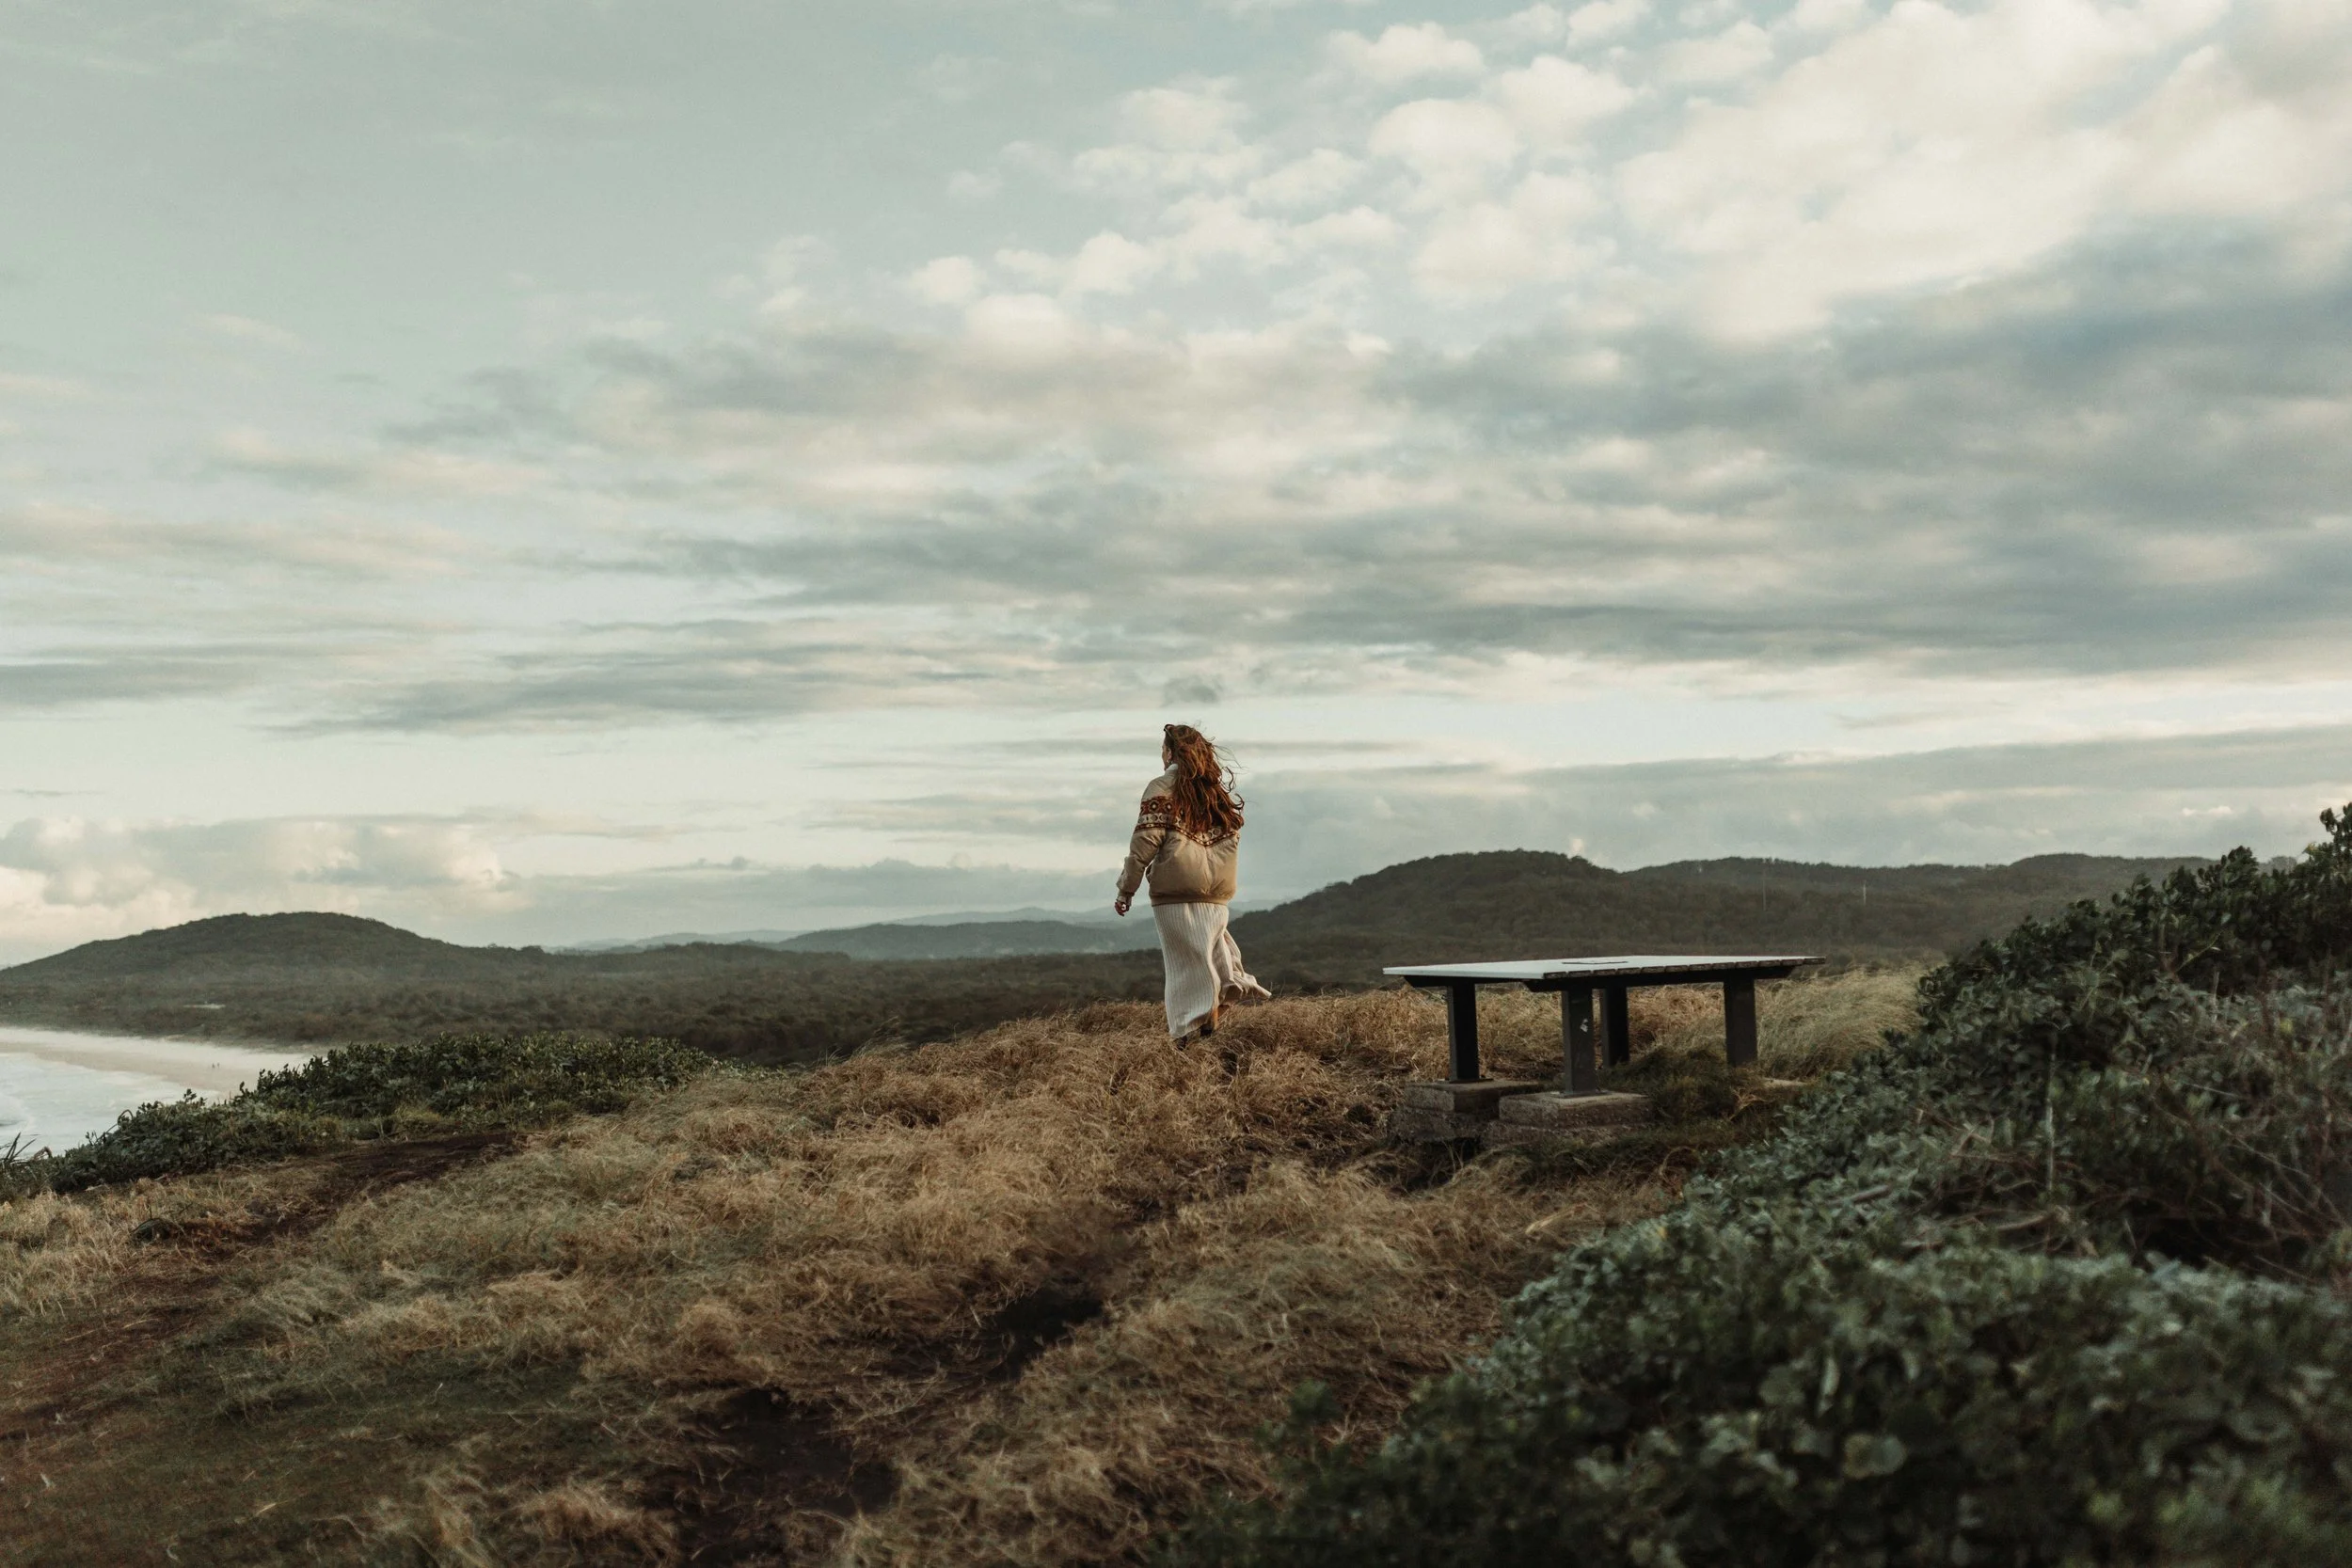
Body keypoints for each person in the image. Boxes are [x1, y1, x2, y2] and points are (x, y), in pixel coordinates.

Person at [1114, 723, 1270, 1040]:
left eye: (1162, 749)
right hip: (1216, 895)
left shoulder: (1161, 786)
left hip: (1175, 893)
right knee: (1209, 959)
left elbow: (1145, 842)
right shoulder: (1214, 793)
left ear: (1170, 752)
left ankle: (1185, 1040)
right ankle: (1212, 1014)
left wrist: (1126, 888)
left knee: (1184, 969)